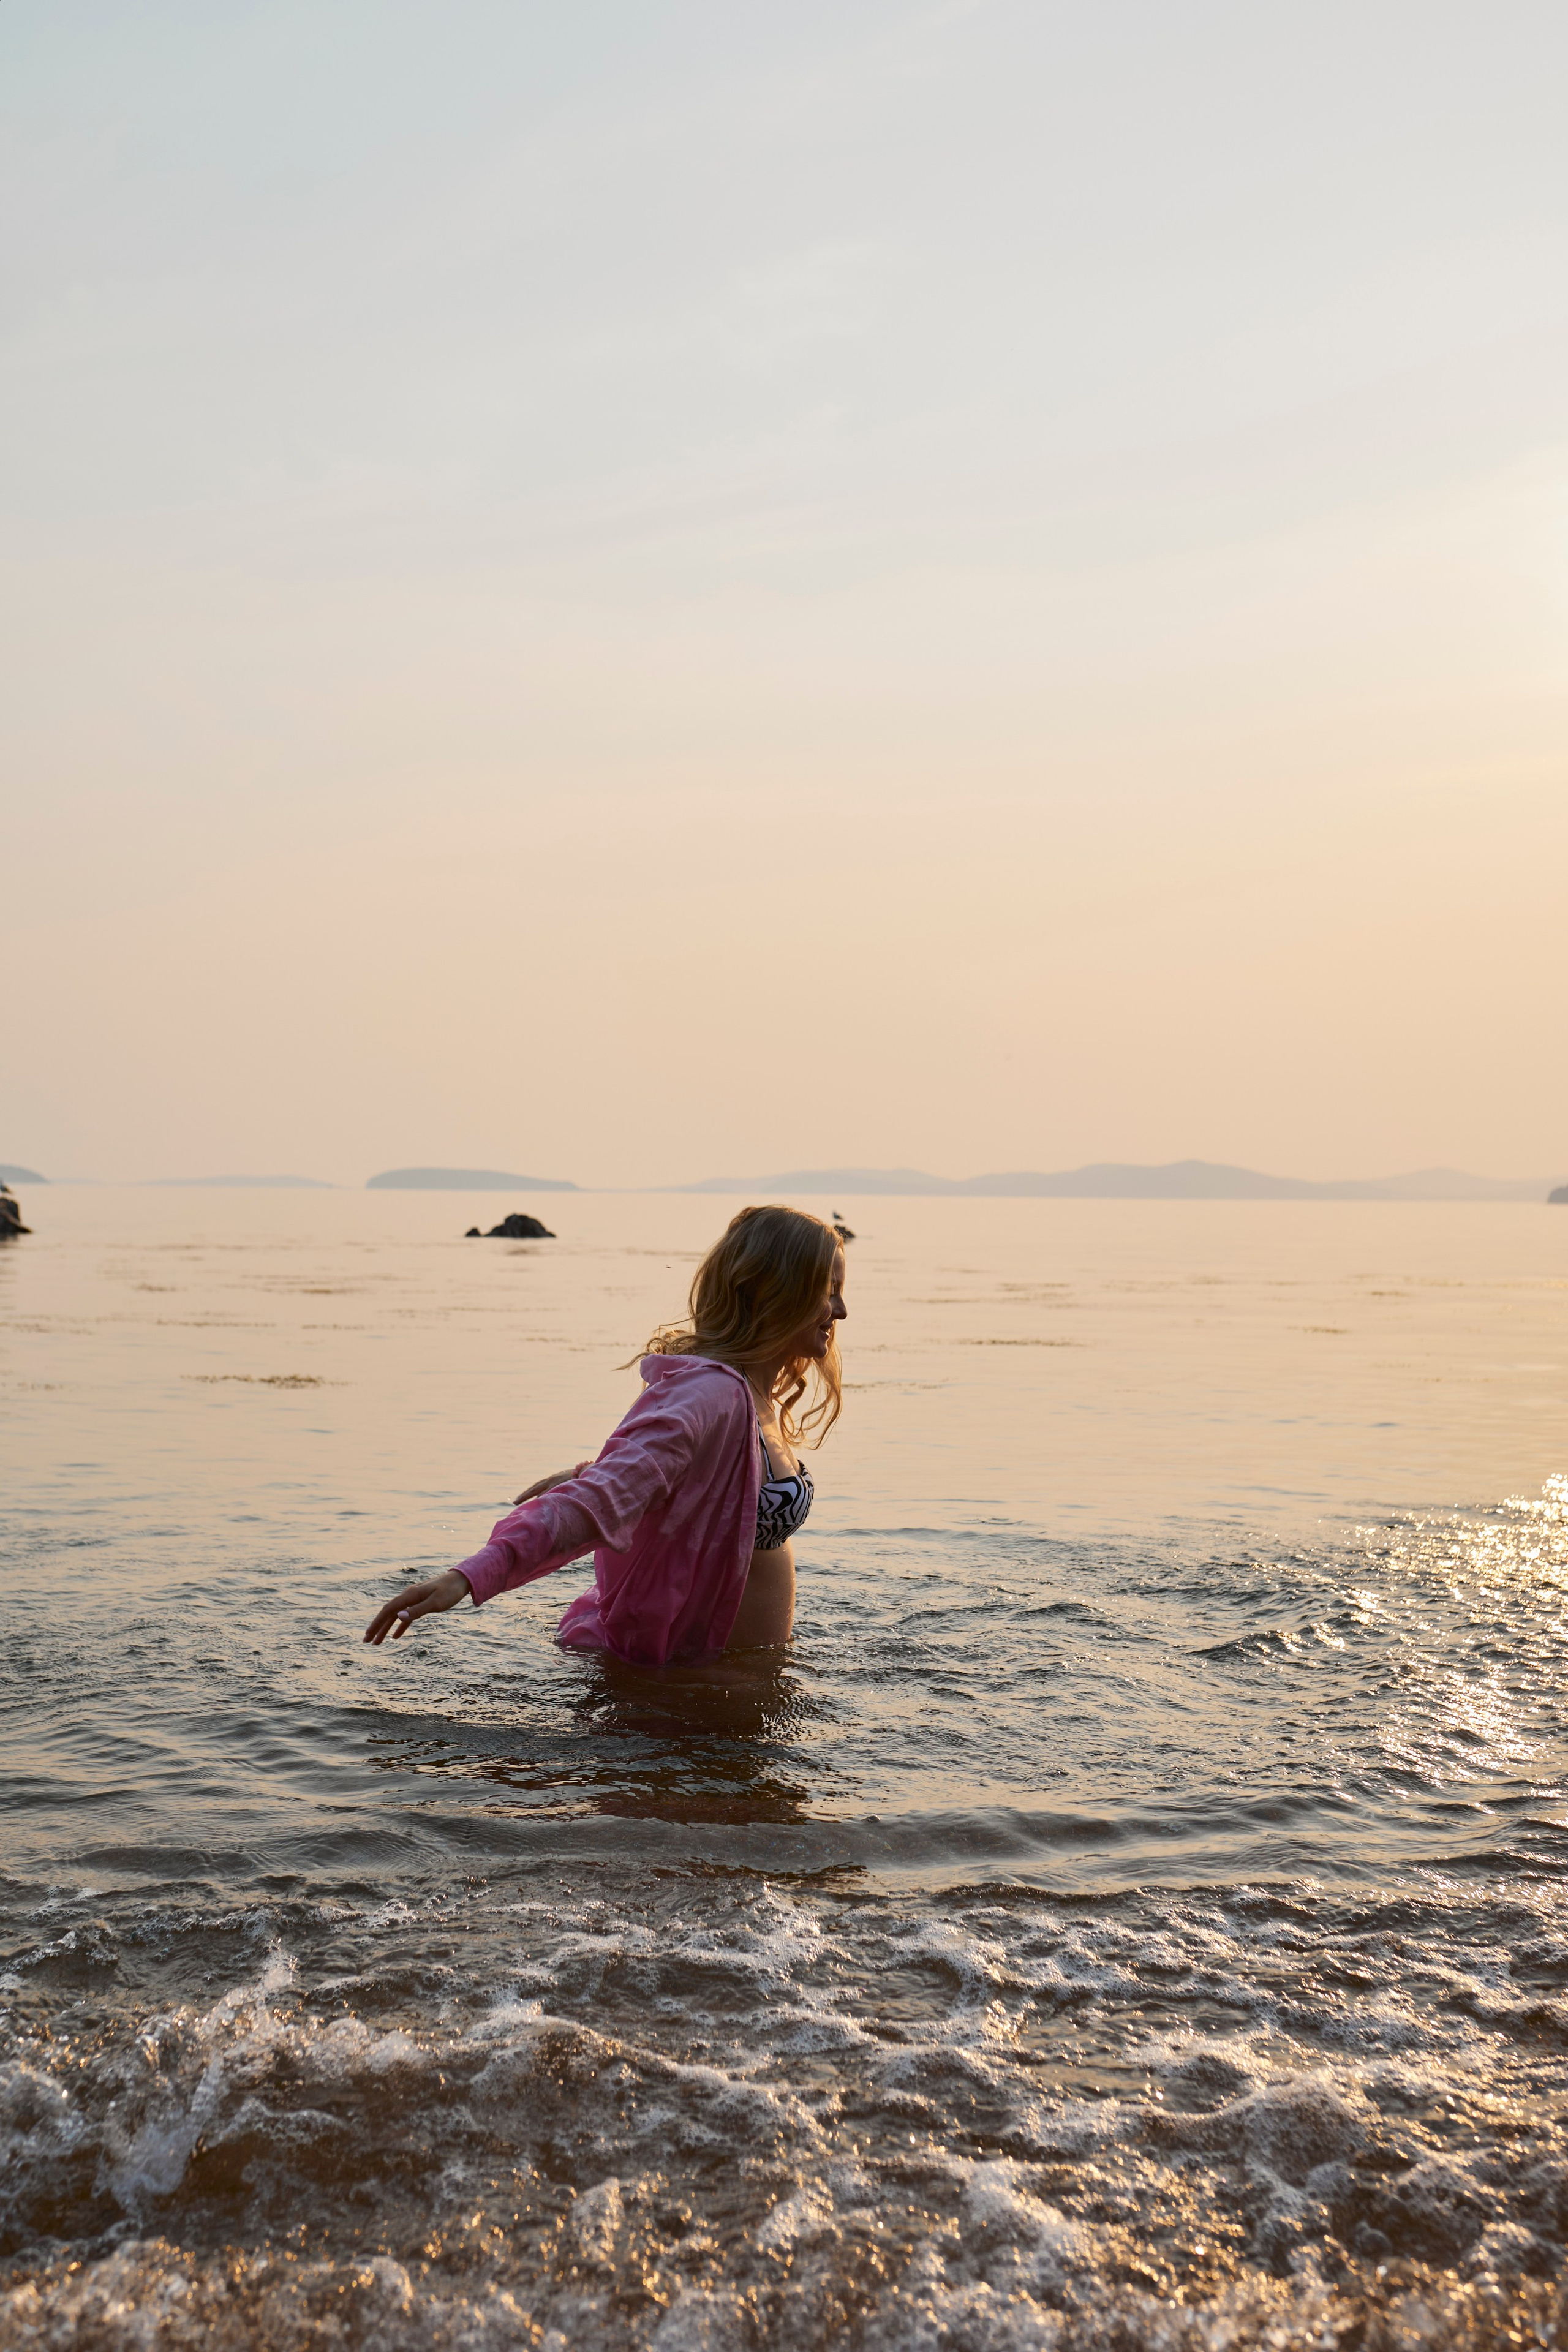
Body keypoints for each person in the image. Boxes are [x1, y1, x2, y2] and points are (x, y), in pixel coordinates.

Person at [363, 1205, 847, 1665]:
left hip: (736, 1678)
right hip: (683, 1688)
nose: (841, 1311)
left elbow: (701, 1490)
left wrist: (587, 1471)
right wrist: (473, 1575)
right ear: (777, 1290)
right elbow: (601, 1499)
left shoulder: (751, 1395)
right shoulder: (712, 1394)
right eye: (828, 1291)